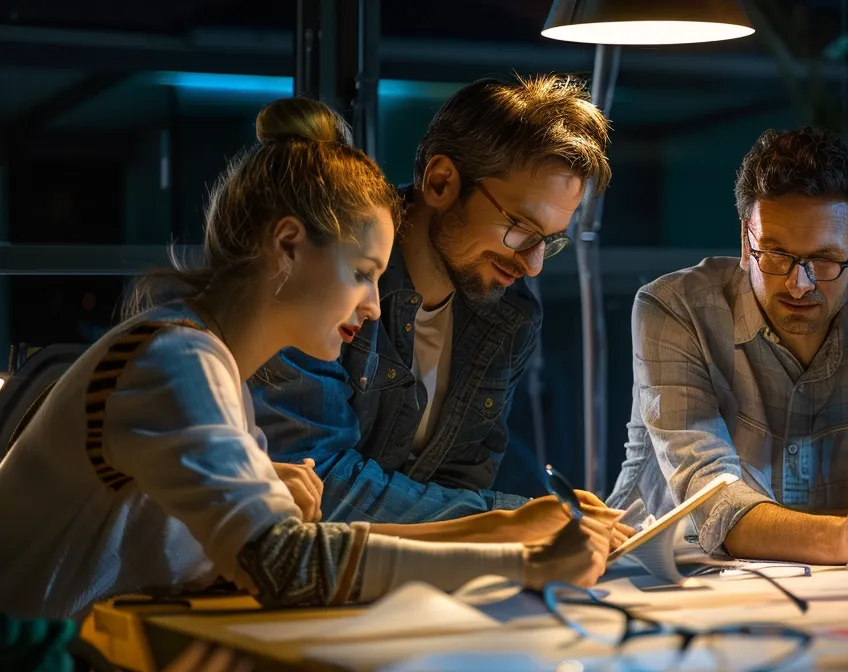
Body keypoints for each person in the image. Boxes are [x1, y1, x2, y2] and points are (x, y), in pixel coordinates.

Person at [0, 99, 618, 620]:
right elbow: (286, 564)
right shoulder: (175, 360)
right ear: (289, 247)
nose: (376, 307)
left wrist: (504, 529)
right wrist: (524, 558)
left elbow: (279, 549)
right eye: (363, 274)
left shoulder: (210, 367)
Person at [606, 127, 848, 564]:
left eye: (825, 259)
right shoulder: (674, 309)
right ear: (746, 242)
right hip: (660, 578)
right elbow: (714, 502)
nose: (800, 284)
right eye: (776, 255)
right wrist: (843, 538)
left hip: (826, 585)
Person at [251, 75, 614, 525]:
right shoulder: (328, 277)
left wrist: (514, 533)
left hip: (401, 580)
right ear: (441, 182)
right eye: (520, 227)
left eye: (551, 242)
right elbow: (316, 482)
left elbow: (459, 486)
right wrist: (509, 522)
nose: (533, 265)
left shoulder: (510, 316)